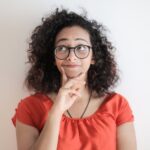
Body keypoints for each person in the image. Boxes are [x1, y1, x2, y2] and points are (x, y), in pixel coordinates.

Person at [12, 8, 137, 150]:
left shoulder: (117, 105)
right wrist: (57, 110)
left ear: (94, 57)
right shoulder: (30, 108)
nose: (72, 56)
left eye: (81, 47)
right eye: (62, 48)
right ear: (53, 58)